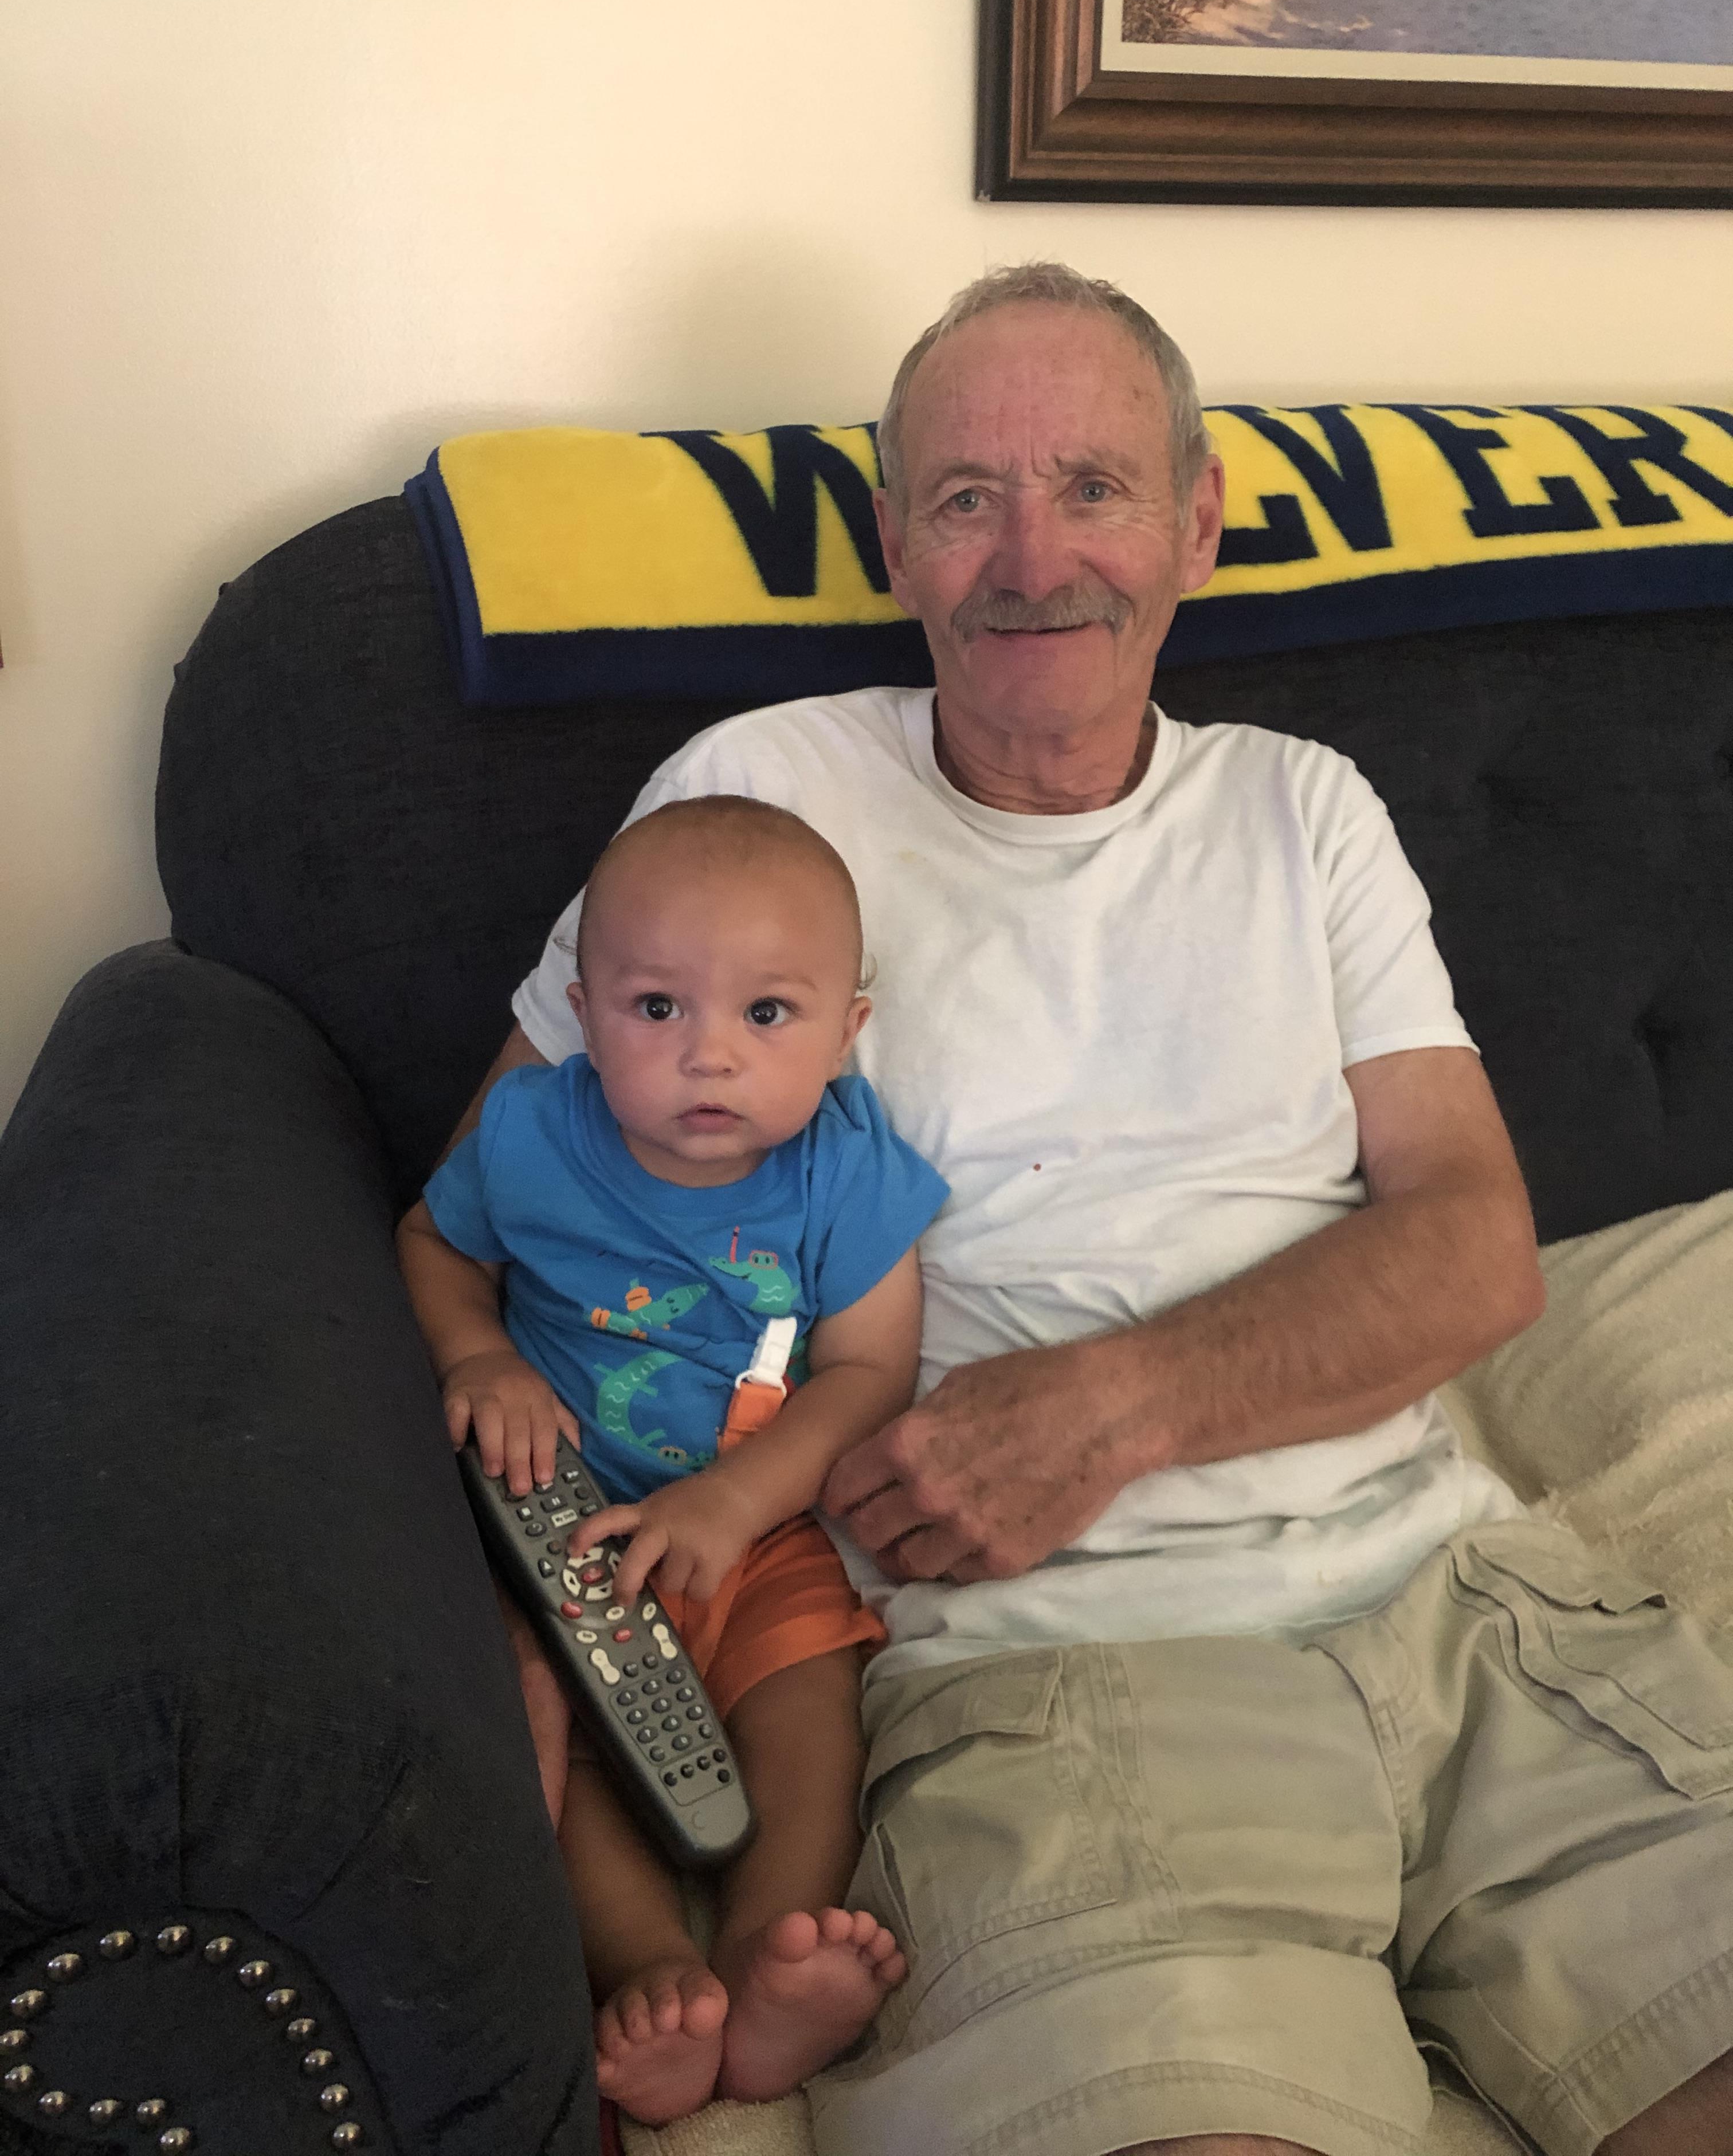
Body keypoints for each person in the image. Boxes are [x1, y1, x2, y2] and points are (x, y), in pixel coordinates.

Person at [456, 264, 1733, 2156]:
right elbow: (497, 1205)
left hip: (1465, 1606)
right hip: (1057, 1674)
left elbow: (1469, 1247)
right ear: (894, 540)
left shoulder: (1304, 811)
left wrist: (1104, 1408)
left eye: (1093, 486)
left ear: (1196, 522)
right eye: (966, 497)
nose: (1030, 557)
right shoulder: (757, 794)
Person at [399, 795, 946, 2125]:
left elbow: (873, 1371)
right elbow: (431, 1244)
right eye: (658, 1009)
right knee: (558, 1747)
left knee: (813, 1709)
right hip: (567, 1545)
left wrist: (739, 1500)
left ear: (845, 1033)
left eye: (767, 1016)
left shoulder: (847, 1169)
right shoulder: (531, 1134)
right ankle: (651, 1970)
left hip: (756, 1538)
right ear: (583, 1010)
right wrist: (479, 1358)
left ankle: (773, 1954)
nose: (710, 1057)